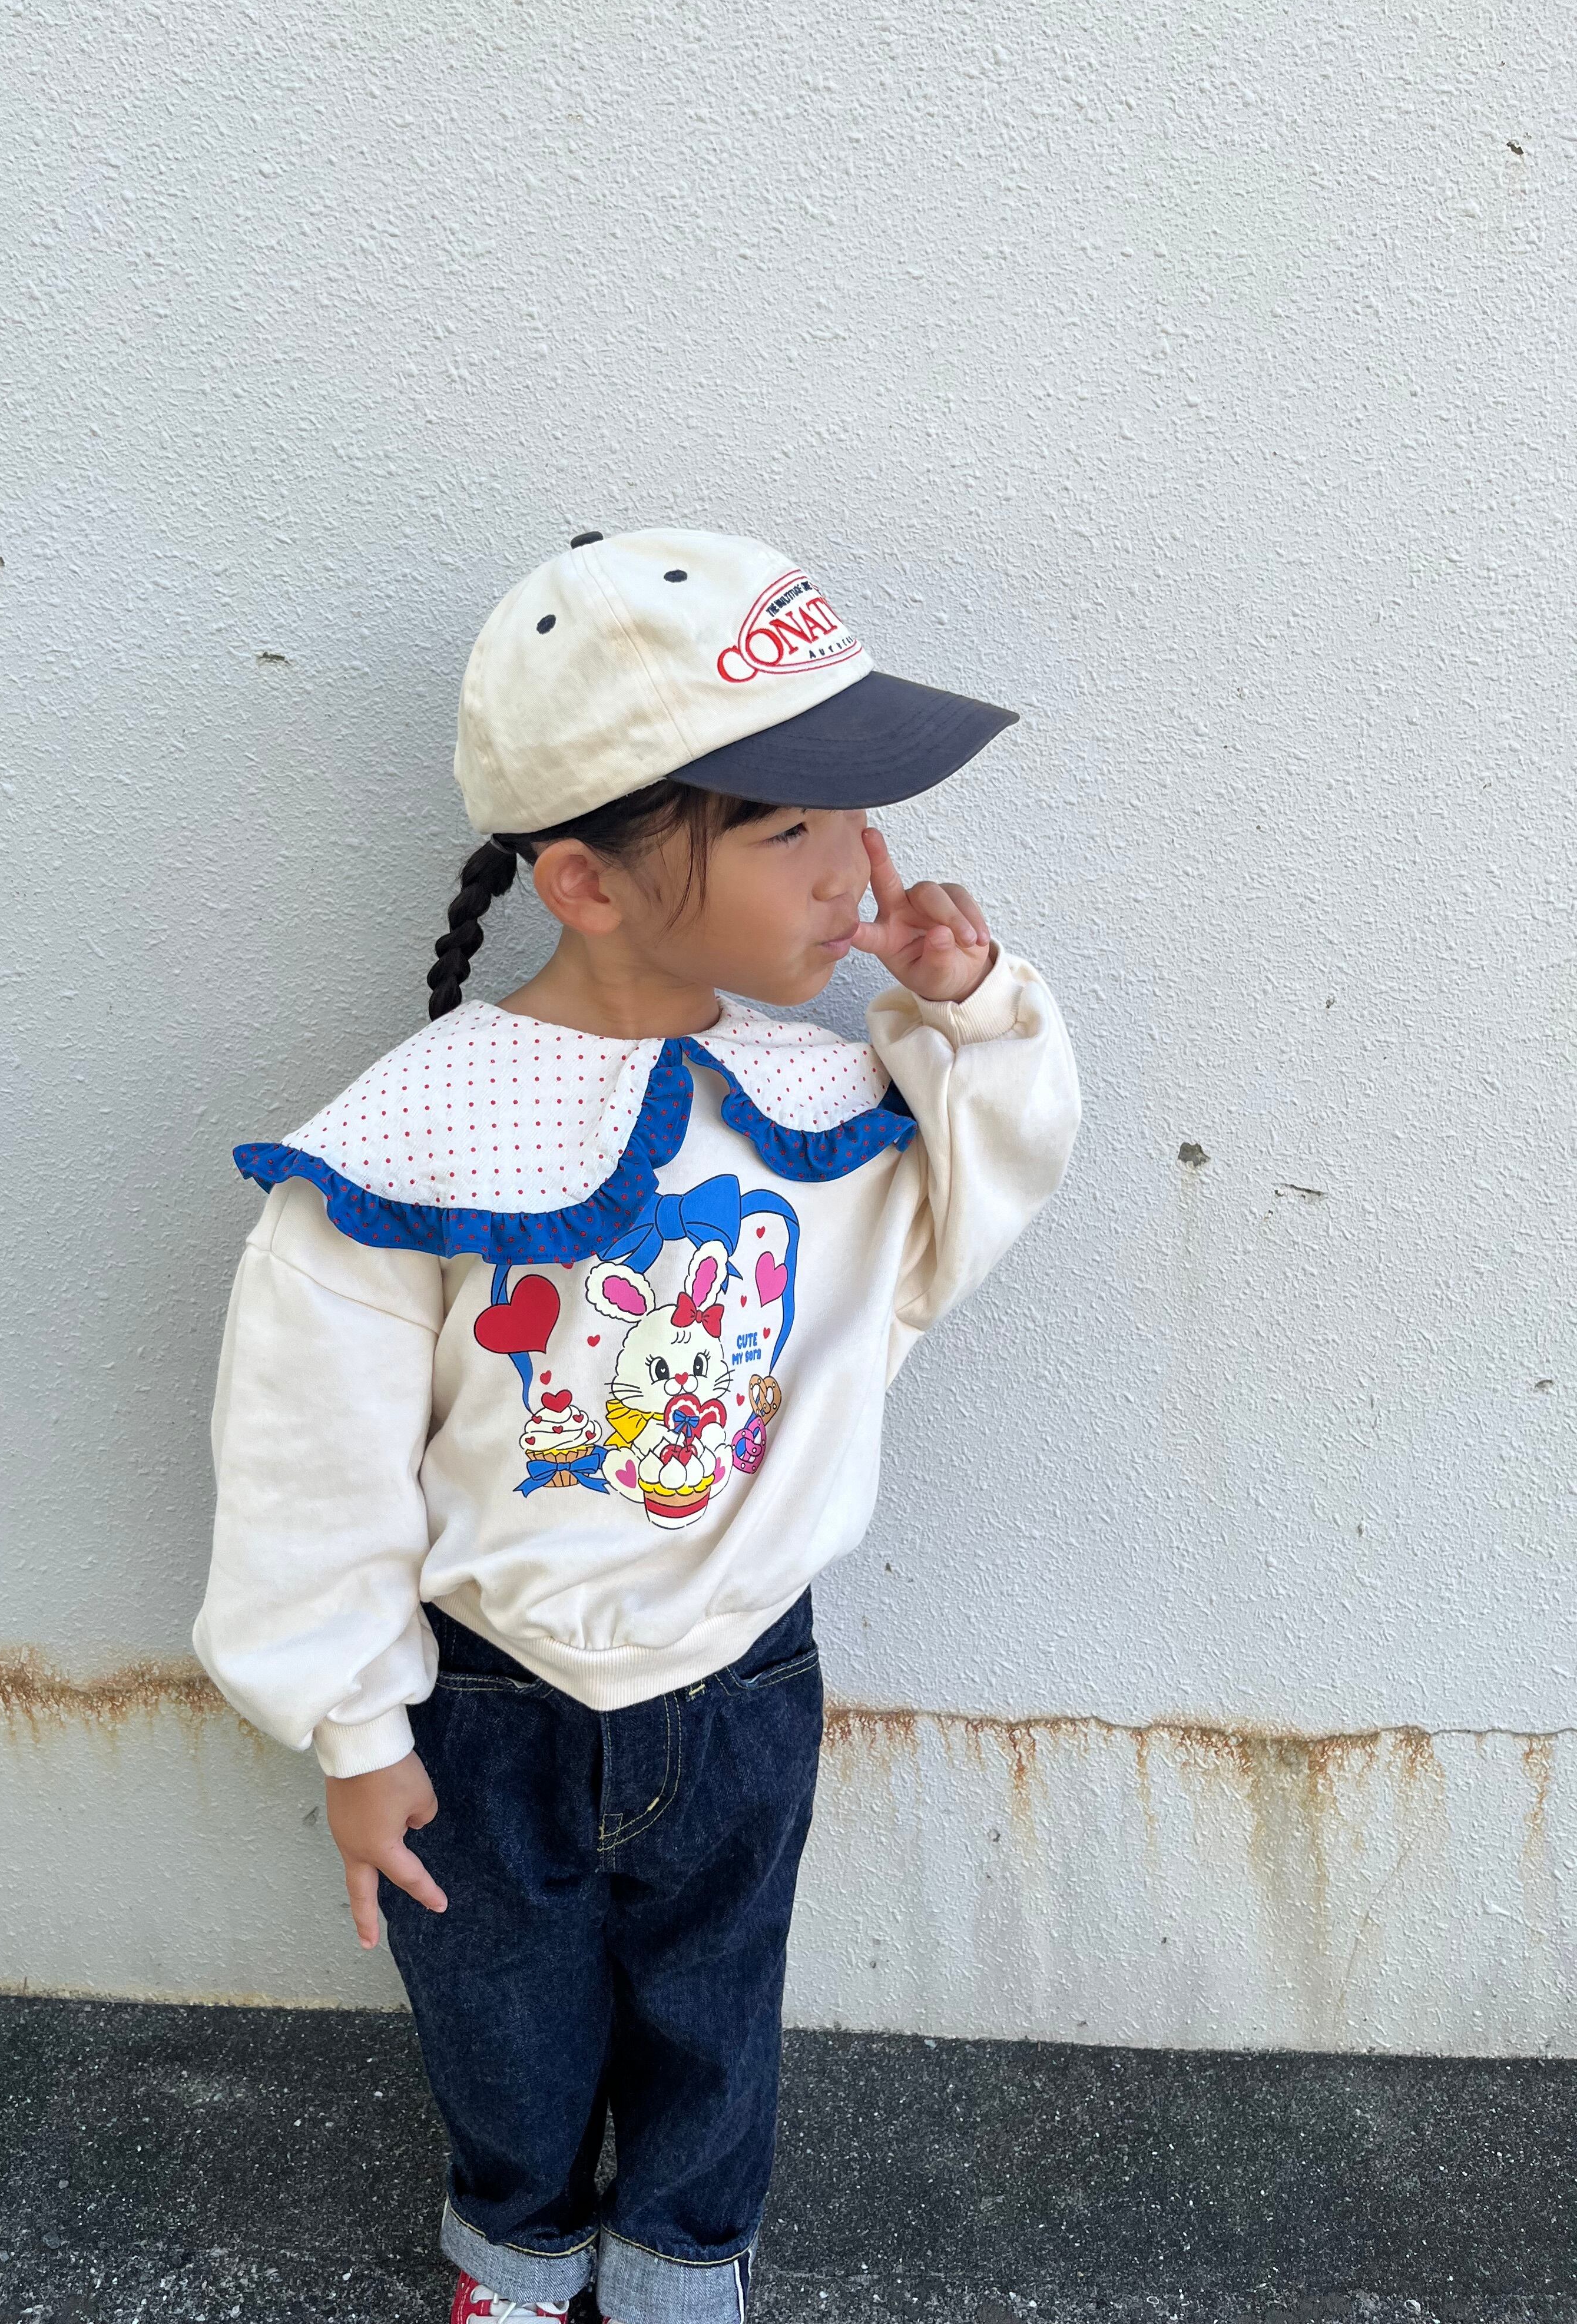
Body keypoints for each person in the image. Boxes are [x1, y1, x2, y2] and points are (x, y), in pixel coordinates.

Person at [194, 527, 1081, 2324]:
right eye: (790, 828)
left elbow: (964, 1219)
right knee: (498, 2019)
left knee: (718, 2007)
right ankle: (516, 2254)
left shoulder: (828, 1097)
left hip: (747, 1676)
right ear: (587, 883)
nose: (853, 870)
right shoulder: (417, 1139)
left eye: (855, 817)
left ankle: (684, 2265)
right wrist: (355, 1727)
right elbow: (310, 1458)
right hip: (487, 1702)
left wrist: (970, 1010)